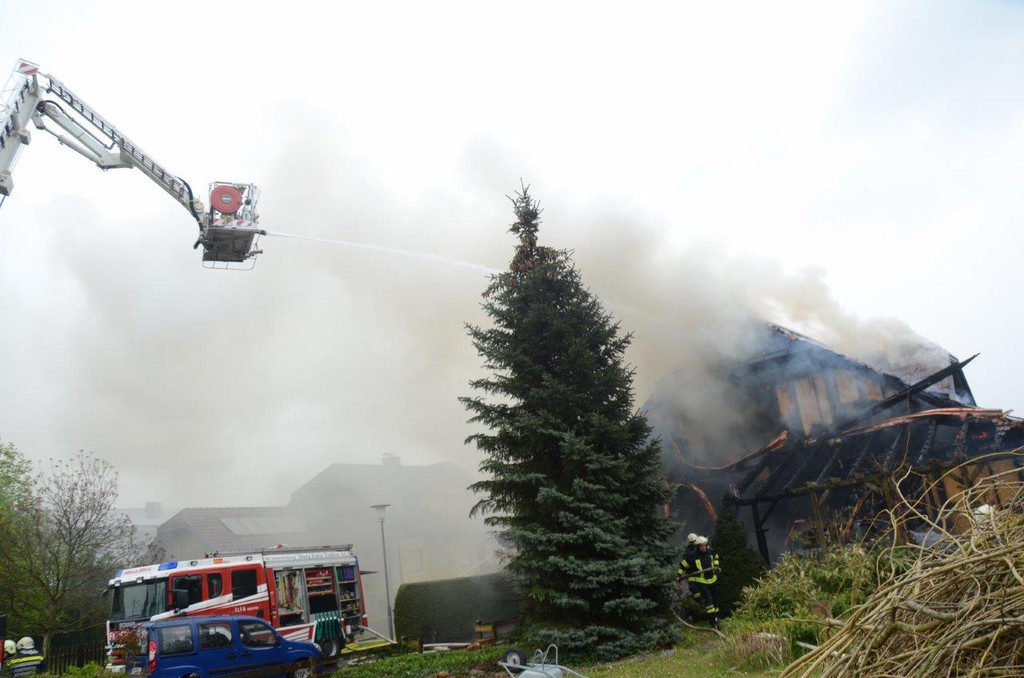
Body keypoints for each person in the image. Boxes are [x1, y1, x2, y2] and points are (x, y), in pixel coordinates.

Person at [681, 536, 721, 628]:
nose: (704, 547)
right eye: (701, 546)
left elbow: (716, 557)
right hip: (702, 581)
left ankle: (716, 617)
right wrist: (678, 575)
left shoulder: (711, 551)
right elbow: (683, 565)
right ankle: (713, 620)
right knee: (708, 598)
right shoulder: (693, 555)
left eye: (705, 545)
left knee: (715, 598)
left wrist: (716, 566)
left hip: (713, 579)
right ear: (697, 546)